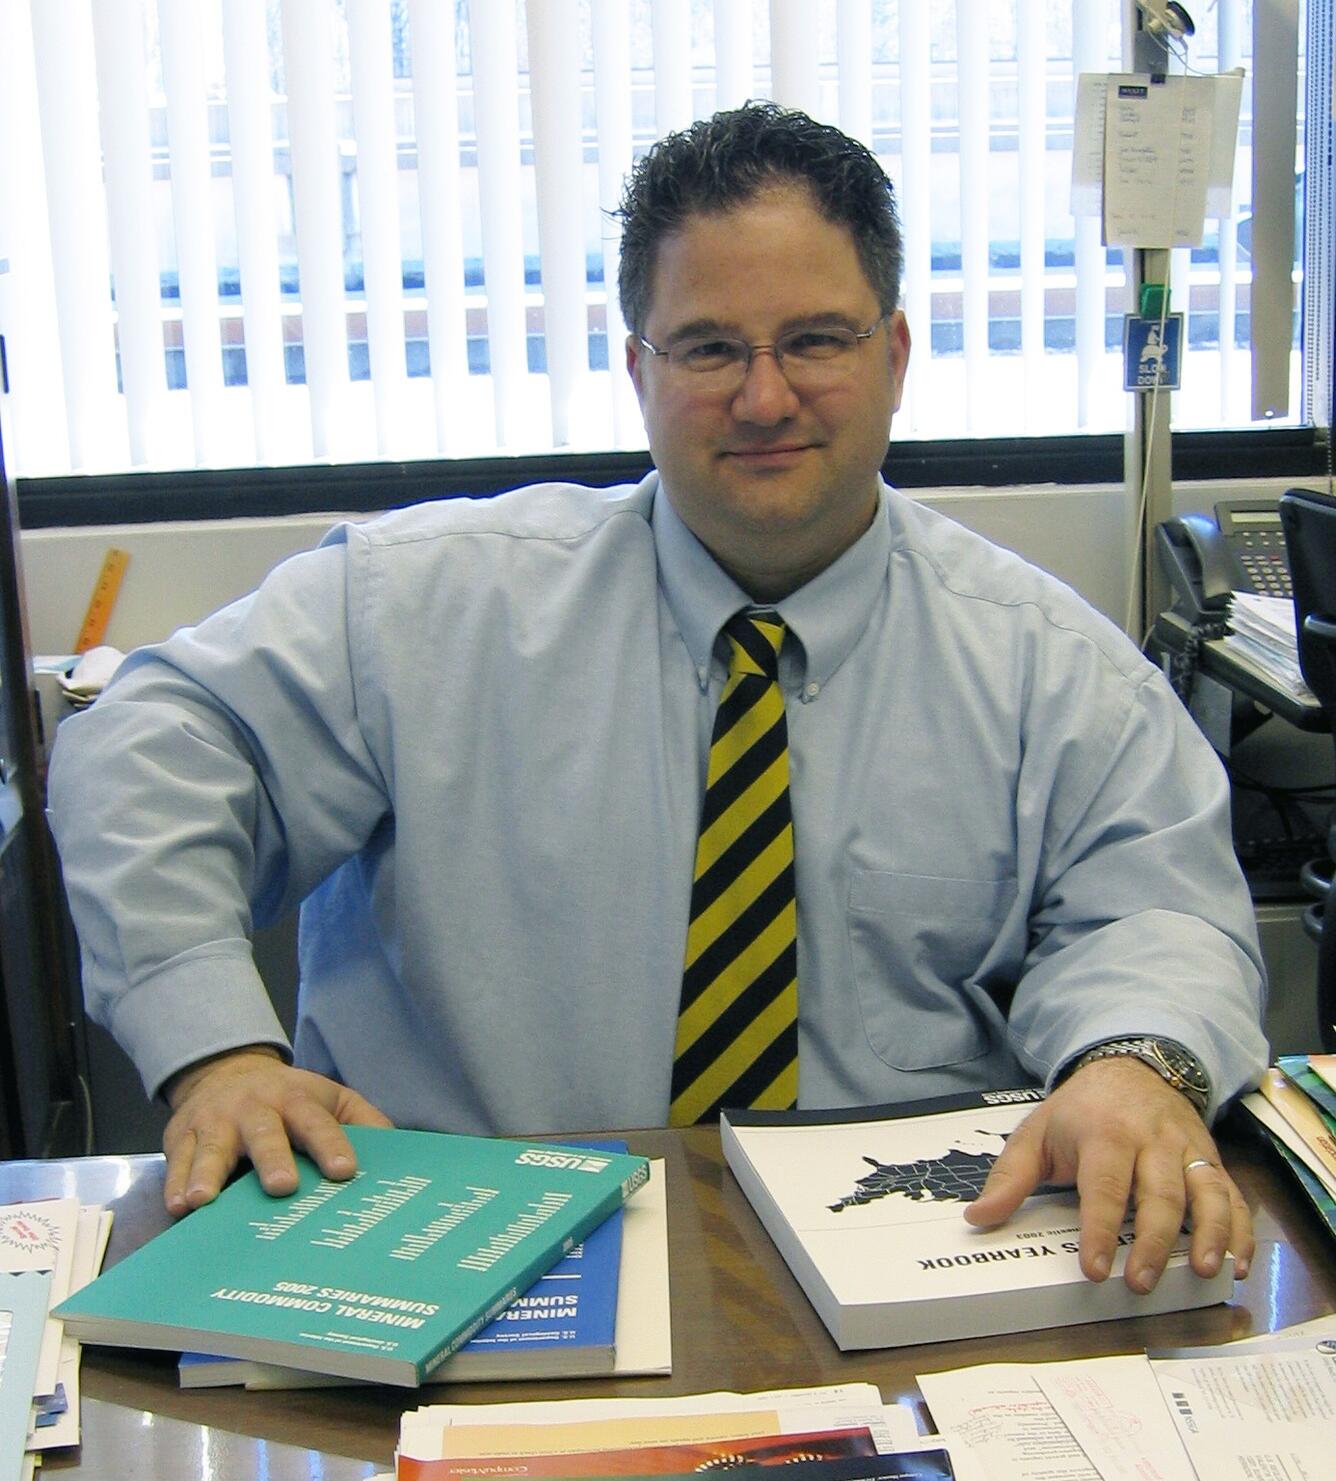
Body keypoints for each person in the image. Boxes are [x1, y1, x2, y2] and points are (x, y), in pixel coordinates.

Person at [47, 102, 1268, 1297]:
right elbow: (146, 746)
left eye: (816, 339)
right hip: (447, 1263)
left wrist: (1133, 1064)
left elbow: (1155, 909)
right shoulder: (418, 608)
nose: (765, 396)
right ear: (638, 367)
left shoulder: (1051, 667)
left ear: (893, 356)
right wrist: (216, 1048)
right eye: (709, 347)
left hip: (894, 1276)